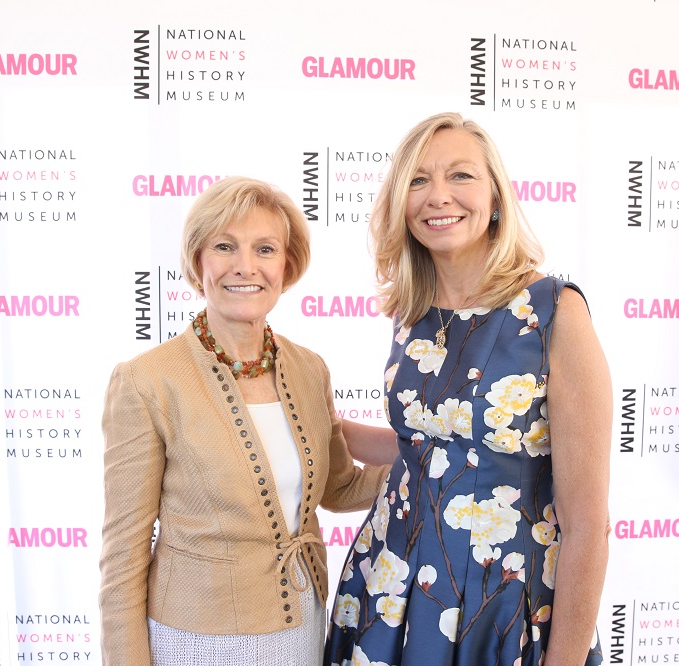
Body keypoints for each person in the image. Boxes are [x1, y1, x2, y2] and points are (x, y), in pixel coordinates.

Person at [325, 113, 612, 666]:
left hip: (502, 603)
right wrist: (324, 428)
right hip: (392, 589)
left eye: (460, 176)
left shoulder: (554, 312)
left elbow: (587, 524)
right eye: (417, 180)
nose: (439, 196)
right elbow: (434, 447)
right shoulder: (412, 312)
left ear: (496, 196)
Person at [98, 176, 391, 666]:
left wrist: (436, 459)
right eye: (225, 247)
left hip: (303, 623)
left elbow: (339, 488)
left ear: (286, 265)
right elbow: (123, 552)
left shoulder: (309, 367)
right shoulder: (145, 381)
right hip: (197, 641)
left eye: (265, 249)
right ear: (198, 262)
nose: (245, 267)